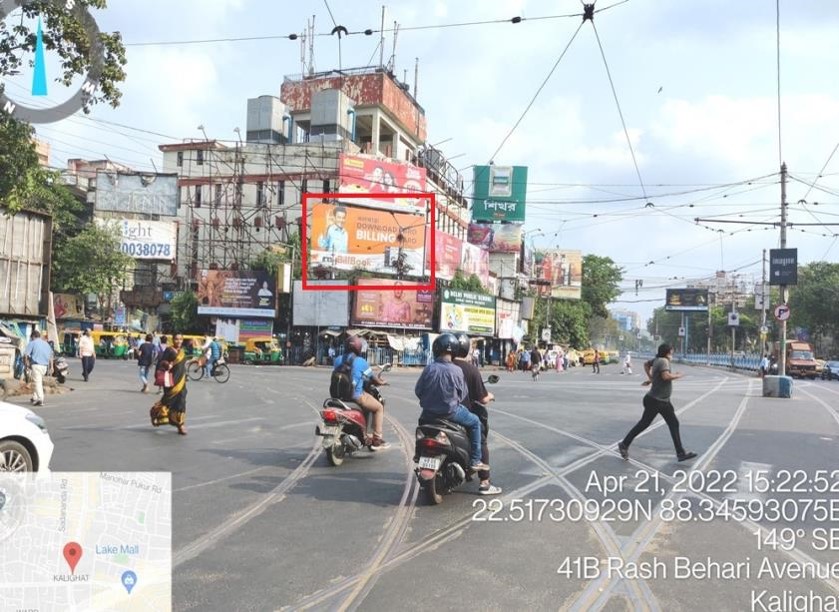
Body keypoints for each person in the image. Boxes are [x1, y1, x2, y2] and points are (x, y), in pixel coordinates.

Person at [415, 333, 490, 473]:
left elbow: (418, 391)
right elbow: (462, 394)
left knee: (421, 426)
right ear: (454, 351)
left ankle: (418, 453)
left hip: (428, 413)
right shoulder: (457, 371)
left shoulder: (429, 369)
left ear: (436, 349)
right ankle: (475, 460)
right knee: (475, 422)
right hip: (451, 413)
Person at [618, 344, 698, 463]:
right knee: (652, 424)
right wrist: (678, 375)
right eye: (671, 352)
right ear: (667, 353)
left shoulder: (656, 360)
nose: (672, 355)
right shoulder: (664, 361)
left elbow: (646, 364)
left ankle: (680, 452)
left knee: (668, 423)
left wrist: (651, 378)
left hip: (660, 400)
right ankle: (624, 444)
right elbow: (665, 376)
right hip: (657, 400)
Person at [453, 334, 501, 495]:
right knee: (481, 439)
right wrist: (491, 395)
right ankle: (485, 482)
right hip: (460, 413)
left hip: (435, 413)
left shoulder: (440, 366)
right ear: (466, 349)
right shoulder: (471, 369)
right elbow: (482, 398)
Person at [332, 336, 391, 449]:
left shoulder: (338, 360)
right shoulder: (361, 361)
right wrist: (381, 382)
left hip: (339, 395)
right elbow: (373, 379)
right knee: (379, 407)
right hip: (355, 396)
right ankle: (377, 439)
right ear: (358, 348)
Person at [150, 333, 189, 435]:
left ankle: (180, 425)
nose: (179, 341)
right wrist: (167, 365)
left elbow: (183, 366)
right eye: (176, 339)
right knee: (167, 402)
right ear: (173, 340)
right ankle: (156, 413)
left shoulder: (183, 351)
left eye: (181, 339)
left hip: (181, 382)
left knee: (181, 402)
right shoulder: (169, 350)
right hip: (171, 382)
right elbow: (161, 363)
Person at [23, 330, 53, 407]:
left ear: (33, 336)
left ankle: (40, 399)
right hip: (44, 367)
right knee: (37, 381)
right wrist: (52, 367)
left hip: (36, 365)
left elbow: (26, 355)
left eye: (31, 338)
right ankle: (35, 397)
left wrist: (26, 365)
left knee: (38, 382)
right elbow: (51, 356)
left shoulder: (32, 343)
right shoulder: (46, 344)